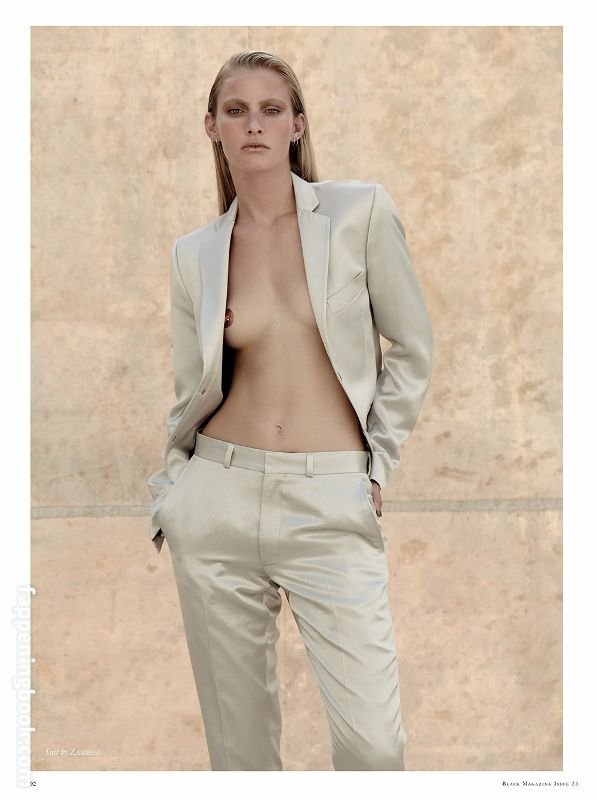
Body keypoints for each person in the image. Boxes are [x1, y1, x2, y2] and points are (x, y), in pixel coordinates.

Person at [147, 50, 433, 771]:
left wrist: (376, 466)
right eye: (236, 110)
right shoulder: (194, 254)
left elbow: (411, 347)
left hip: (328, 498)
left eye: (271, 110)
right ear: (211, 126)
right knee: (240, 757)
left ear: (296, 125)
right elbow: (190, 389)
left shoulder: (359, 212)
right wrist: (173, 493)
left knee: (374, 748)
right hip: (217, 499)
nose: (254, 124)